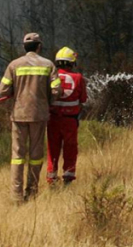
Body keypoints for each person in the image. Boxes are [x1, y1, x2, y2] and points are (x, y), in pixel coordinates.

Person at [0, 32, 61, 203]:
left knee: (17, 156)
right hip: (39, 115)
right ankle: (31, 192)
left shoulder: (14, 65)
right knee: (36, 155)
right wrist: (47, 101)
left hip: (19, 115)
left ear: (24, 47)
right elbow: (57, 90)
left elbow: (3, 90)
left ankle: (16, 196)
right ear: (39, 46)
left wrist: (16, 91)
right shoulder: (48, 65)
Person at [46, 46, 87, 186]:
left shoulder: (51, 78)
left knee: (52, 149)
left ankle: (51, 178)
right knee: (70, 148)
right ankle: (68, 178)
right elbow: (83, 99)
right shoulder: (78, 78)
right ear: (72, 62)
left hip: (53, 119)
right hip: (70, 120)